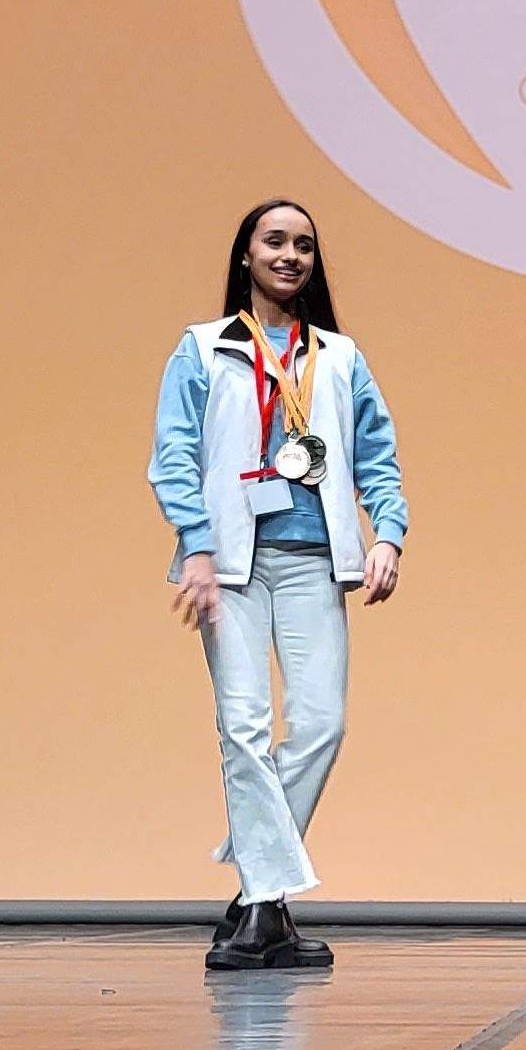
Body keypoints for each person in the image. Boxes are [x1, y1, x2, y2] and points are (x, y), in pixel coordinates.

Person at [150, 199, 407, 972]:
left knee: (322, 725)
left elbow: (377, 455)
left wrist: (387, 532)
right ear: (245, 256)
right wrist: (195, 549)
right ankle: (265, 912)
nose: (290, 255)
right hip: (227, 564)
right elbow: (173, 456)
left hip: (312, 561)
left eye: (303, 245)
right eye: (275, 241)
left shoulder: (339, 354)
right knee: (245, 728)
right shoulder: (203, 348)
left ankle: (256, 889)